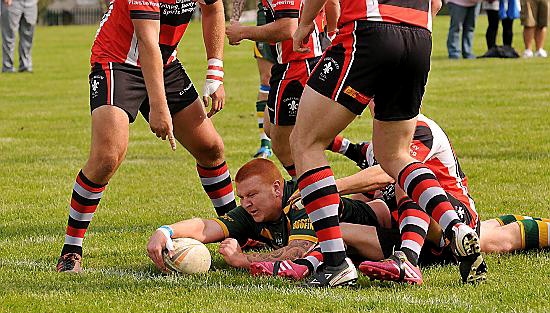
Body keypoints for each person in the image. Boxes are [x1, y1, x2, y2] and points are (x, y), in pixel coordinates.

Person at [290, 0, 485, 288]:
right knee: (394, 155)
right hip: (419, 37)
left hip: (369, 31)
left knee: (305, 143)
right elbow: (437, 3)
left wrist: (305, 23)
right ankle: (454, 228)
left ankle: (334, 263)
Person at [56, 0, 236, 273]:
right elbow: (147, 41)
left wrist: (215, 72)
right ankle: (71, 250)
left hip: (164, 61)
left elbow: (213, 8)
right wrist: (159, 106)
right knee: (107, 157)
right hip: (117, 61)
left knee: (210, 148)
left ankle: (235, 229)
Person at [146, 158, 387, 271]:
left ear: (276, 188)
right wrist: (166, 231)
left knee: (332, 238)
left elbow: (298, 252)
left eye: (252, 195)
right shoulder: (254, 211)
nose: (246, 203)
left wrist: (243, 260)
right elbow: (208, 227)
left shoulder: (301, 201)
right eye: (241, 197)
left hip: (386, 239)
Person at [226, 0, 331, 181]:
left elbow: (287, 28)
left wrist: (242, 32)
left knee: (287, 145)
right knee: (271, 126)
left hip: (298, 65)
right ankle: (352, 151)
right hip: (294, 61)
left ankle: (313, 194)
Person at [230, 0, 276, 158]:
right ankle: (265, 144)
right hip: (265, 16)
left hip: (294, 15)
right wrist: (235, 22)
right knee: (266, 79)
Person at [1, 0, 37, 72]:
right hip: (12, 2)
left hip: (30, 2)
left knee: (28, 35)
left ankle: (25, 65)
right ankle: (7, 66)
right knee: (9, 35)